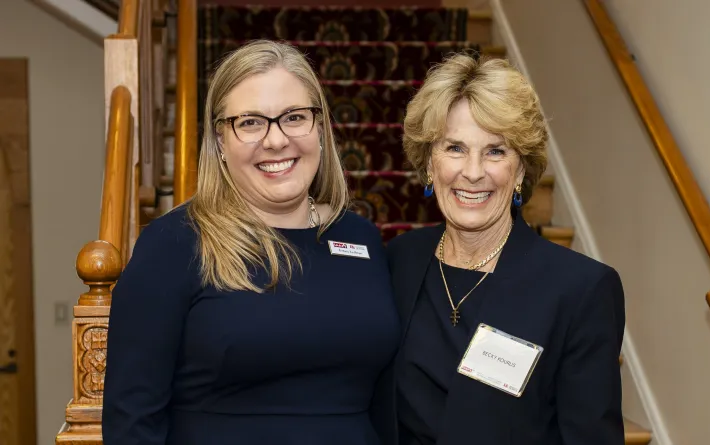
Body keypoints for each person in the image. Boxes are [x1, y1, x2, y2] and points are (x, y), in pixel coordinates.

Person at [102, 40, 400, 445]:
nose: (276, 140)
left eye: (294, 117)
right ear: (221, 141)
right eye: (251, 122)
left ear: (321, 128)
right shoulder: (173, 244)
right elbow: (131, 419)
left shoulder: (360, 238)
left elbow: (385, 404)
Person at [388, 53, 626, 445]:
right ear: (429, 163)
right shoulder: (399, 260)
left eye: (495, 151)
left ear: (519, 170)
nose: (474, 171)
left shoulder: (581, 290)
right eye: (455, 148)